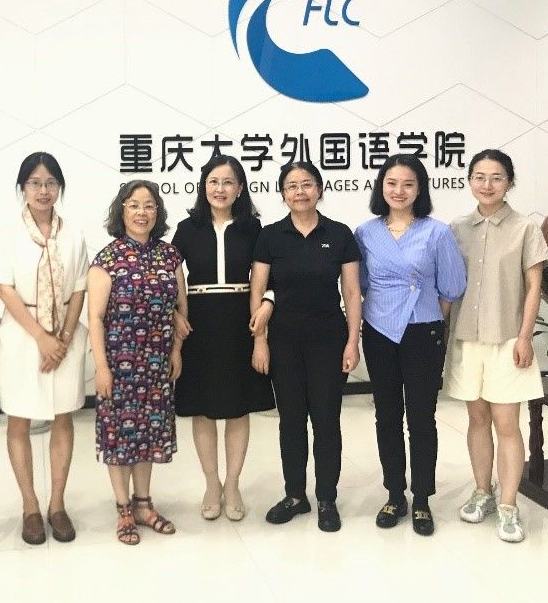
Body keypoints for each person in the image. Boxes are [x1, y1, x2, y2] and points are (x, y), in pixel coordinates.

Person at [354, 154, 466, 537]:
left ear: (420, 190)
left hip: (423, 332)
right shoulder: (365, 233)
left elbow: (451, 288)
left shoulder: (437, 232)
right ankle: (394, 494)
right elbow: (360, 285)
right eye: (391, 183)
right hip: (379, 331)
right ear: (381, 187)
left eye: (408, 184)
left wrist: (426, 315)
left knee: (421, 417)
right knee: (386, 415)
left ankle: (421, 499)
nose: (399, 191)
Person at [247, 161, 362, 533]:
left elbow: (351, 292)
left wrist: (352, 341)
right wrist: (260, 342)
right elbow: (257, 290)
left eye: (307, 184)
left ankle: (327, 497)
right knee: (292, 421)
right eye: (292, 186)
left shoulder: (339, 234)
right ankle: (295, 495)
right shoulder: (271, 236)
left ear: (320, 189)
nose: (300, 192)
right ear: (283, 194)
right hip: (283, 341)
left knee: (327, 421)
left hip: (329, 339)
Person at [0, 152, 89, 545]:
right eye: (35, 183)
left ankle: (57, 504)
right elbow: (4, 289)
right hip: (23, 336)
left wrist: (63, 337)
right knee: (19, 420)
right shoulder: (7, 234)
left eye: (50, 183)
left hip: (65, 337)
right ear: (22, 188)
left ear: (59, 187)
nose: (43, 191)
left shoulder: (73, 233)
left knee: (63, 418)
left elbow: (79, 288)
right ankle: (30, 505)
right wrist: (42, 338)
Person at [446, 149, 548, 543]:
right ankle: (482, 492)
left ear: (509, 182)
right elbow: (447, 287)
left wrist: (525, 337)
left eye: (496, 177)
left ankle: (509, 505)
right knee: (477, 420)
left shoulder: (525, 228)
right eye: (479, 177)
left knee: (507, 424)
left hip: (508, 339)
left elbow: (534, 287)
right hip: (466, 339)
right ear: (469, 181)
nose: (487, 185)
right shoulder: (456, 229)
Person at [171, 155, 274, 522]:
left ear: (240, 188)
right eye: (213, 182)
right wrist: (175, 313)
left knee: (237, 406)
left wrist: (266, 311)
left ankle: (232, 484)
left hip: (240, 319)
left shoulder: (254, 228)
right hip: (198, 322)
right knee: (202, 407)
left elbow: (269, 277)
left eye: (228, 182)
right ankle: (211, 483)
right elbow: (170, 275)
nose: (220, 189)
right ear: (203, 186)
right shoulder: (187, 229)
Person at [87, 180, 187, 545]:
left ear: (157, 212)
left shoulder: (169, 256)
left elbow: (180, 308)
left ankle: (144, 505)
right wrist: (101, 368)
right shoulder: (107, 259)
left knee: (149, 434)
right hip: (119, 363)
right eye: (134, 205)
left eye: (149, 205)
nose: (142, 212)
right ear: (122, 211)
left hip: (157, 361)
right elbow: (95, 318)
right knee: (119, 437)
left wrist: (175, 350)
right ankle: (123, 510)